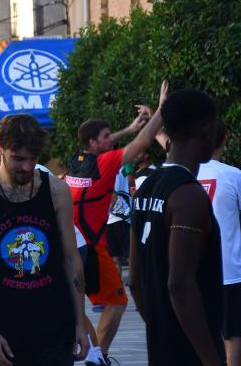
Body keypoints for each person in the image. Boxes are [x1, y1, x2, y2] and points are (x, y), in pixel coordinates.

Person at [0, 114, 89, 366]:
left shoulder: (55, 191)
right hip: (3, 328)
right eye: (18, 158)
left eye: (33, 159)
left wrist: (80, 322)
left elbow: (71, 258)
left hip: (54, 323)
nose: (27, 167)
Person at [66, 82, 167, 364]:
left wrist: (130, 128)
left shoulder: (78, 161)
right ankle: (98, 357)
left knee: (77, 306)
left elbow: (111, 143)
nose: (113, 139)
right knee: (118, 303)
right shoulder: (107, 162)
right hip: (93, 247)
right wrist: (161, 109)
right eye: (107, 136)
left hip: (72, 242)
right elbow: (143, 144)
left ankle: (95, 355)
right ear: (93, 143)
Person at [130, 89, 225, 366]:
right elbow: (179, 284)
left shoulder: (146, 186)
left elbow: (136, 282)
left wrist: (161, 325)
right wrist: (211, 359)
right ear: (207, 129)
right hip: (193, 350)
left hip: (162, 346)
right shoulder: (188, 195)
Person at [197, 121, 241, 366]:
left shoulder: (181, 173)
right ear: (225, 139)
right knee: (235, 339)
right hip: (230, 273)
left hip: (194, 273)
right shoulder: (233, 174)